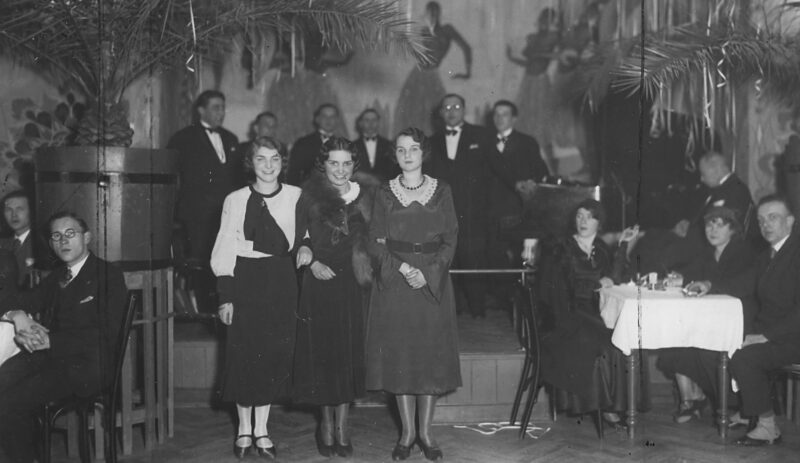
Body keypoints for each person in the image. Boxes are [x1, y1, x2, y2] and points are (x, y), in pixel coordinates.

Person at [0, 212, 127, 463]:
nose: (63, 241)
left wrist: (52, 341)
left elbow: (107, 335)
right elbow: (19, 300)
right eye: (56, 236)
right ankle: (30, 454)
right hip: (52, 357)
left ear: (87, 237)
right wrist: (17, 314)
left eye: (70, 234)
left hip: (89, 365)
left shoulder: (108, 275)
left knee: (10, 403)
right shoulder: (58, 276)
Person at [365, 127, 460, 461]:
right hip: (396, 281)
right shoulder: (384, 192)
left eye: (414, 149)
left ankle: (426, 433)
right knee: (402, 357)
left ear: (424, 153)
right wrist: (404, 270)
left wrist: (429, 272)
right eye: (402, 150)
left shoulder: (442, 190)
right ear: (396, 155)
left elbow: (450, 238)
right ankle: (406, 433)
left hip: (432, 281)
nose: (408, 155)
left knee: (429, 355)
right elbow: (375, 241)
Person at [681, 195, 800, 445]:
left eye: (773, 218)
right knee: (721, 344)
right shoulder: (770, 253)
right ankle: (748, 412)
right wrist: (710, 284)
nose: (766, 224)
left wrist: (767, 336)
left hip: (791, 336)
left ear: (791, 221)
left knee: (745, 356)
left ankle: (768, 425)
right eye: (761, 220)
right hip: (774, 331)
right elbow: (745, 282)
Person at [210, 137, 302, 459]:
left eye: (274, 158)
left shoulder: (295, 196)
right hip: (246, 282)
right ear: (251, 163)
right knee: (244, 354)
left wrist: (306, 249)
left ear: (282, 161)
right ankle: (243, 429)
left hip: (281, 282)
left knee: (272, 355)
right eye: (261, 159)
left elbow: (304, 237)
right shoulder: (235, 200)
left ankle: (262, 428)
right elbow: (224, 248)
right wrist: (226, 297)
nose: (268, 165)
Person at [292, 137, 371, 458]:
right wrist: (312, 262)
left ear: (355, 165)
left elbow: (375, 239)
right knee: (324, 354)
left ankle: (344, 424)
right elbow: (298, 237)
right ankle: (325, 423)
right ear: (323, 165)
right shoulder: (308, 195)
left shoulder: (365, 196)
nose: (340, 169)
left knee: (347, 352)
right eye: (334, 163)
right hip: (320, 280)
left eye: (347, 163)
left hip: (351, 283)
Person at [655, 207, 755, 424]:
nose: (713, 229)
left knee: (699, 348)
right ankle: (691, 400)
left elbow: (741, 284)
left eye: (720, 224)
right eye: (710, 224)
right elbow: (692, 273)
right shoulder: (708, 254)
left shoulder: (744, 252)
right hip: (715, 320)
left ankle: (730, 404)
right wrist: (678, 279)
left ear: (733, 229)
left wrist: (710, 284)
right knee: (675, 343)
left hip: (741, 321)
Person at [538, 199, 629, 427]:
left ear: (599, 222)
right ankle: (604, 407)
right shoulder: (561, 248)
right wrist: (595, 285)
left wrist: (623, 245)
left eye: (590, 216)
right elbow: (554, 290)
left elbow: (615, 277)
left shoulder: (602, 248)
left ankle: (610, 405)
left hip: (594, 313)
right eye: (579, 216)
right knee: (598, 343)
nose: (583, 221)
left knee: (620, 341)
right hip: (566, 314)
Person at [167, 90, 243, 312]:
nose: (221, 112)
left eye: (223, 107)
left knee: (227, 259)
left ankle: (223, 307)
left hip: (227, 213)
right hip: (198, 216)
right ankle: (205, 313)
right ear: (201, 110)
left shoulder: (231, 138)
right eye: (216, 107)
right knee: (202, 261)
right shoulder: (183, 139)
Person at [426, 94, 491, 318]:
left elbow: (496, 172)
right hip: (442, 216)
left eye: (456, 106)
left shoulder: (482, 136)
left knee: (474, 264)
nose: (451, 111)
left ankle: (478, 314)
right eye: (446, 107)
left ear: (464, 110)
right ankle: (451, 314)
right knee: (445, 261)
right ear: (440, 113)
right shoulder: (431, 141)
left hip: (474, 216)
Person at [486, 100, 549, 308]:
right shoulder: (484, 141)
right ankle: (501, 298)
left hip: (516, 210)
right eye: (496, 114)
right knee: (494, 255)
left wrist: (533, 182)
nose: (499, 118)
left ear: (514, 118)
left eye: (504, 114)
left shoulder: (527, 142)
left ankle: (517, 301)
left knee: (518, 258)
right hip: (490, 209)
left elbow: (541, 171)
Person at [394, 1, 471, 134]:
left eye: (435, 11)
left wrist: (467, 72)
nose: (433, 15)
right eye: (430, 12)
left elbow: (466, 48)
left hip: (432, 75)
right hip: (418, 74)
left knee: (437, 112)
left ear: (439, 13)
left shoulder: (447, 29)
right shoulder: (424, 31)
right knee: (414, 112)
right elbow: (416, 51)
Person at [0, 190, 50, 287]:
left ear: (31, 211)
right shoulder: (3, 244)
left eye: (20, 209)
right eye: (9, 210)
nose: (14, 215)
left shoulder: (42, 242)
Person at [287, 104, 341, 186]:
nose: (328, 120)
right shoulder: (303, 143)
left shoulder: (343, 145)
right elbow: (293, 173)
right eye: (324, 116)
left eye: (332, 117)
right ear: (317, 119)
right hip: (309, 193)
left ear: (337, 120)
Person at [352, 109, 399, 182]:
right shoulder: (352, 146)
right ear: (361, 123)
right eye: (367, 120)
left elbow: (394, 171)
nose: (371, 123)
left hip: (383, 189)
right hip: (360, 189)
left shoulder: (389, 145)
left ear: (379, 122)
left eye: (374, 120)